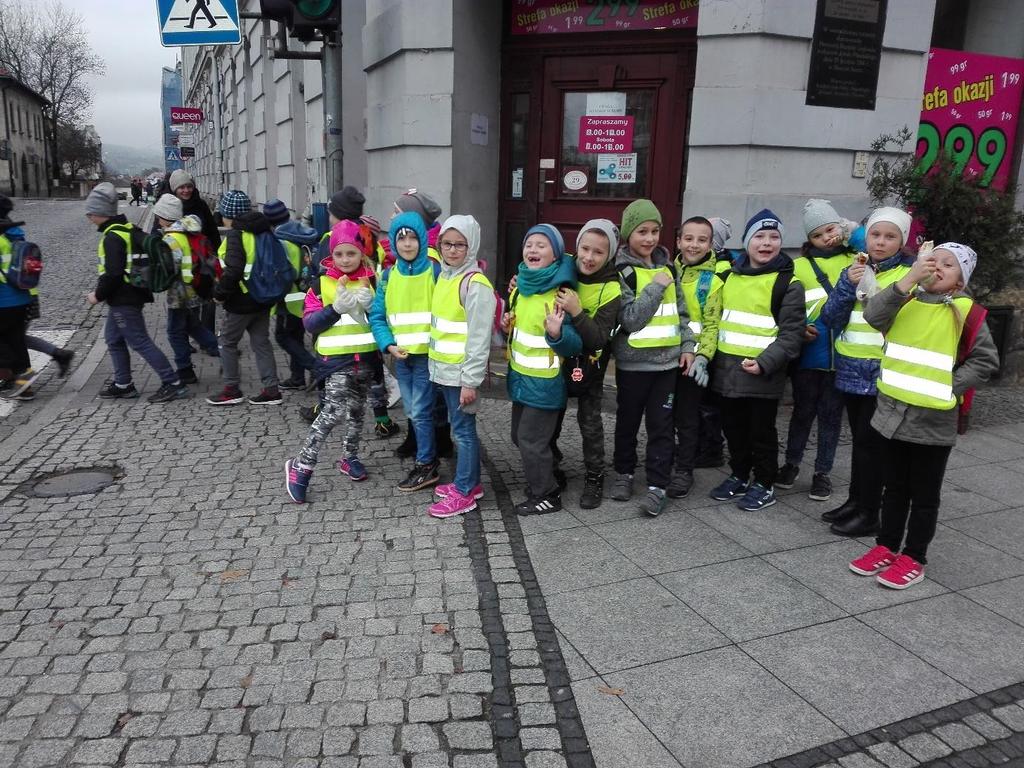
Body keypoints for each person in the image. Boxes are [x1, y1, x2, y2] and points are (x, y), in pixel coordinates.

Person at [849, 243, 999, 589]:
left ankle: (914, 556)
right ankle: (886, 546)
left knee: (924, 496)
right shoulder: (906, 299)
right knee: (894, 488)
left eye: (950, 265)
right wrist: (907, 280)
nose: (939, 267)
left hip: (933, 422)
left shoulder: (966, 312)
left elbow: (985, 361)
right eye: (934, 261)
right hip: (891, 414)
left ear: (961, 280)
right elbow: (873, 316)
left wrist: (948, 388)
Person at [819, 207, 914, 536]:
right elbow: (830, 318)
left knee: (873, 446)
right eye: (876, 234)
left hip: (881, 372)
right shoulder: (856, 268)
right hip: (849, 367)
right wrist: (847, 284)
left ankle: (870, 512)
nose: (881, 242)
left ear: (902, 241)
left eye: (890, 236)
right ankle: (856, 501)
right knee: (860, 443)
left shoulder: (907, 275)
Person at [708, 210, 804, 511]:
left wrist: (765, 362)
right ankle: (738, 474)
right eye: (759, 237)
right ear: (747, 242)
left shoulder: (788, 283)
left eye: (774, 237)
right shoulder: (729, 277)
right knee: (733, 429)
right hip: (727, 371)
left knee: (761, 432)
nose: (766, 243)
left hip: (763, 374)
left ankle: (764, 482)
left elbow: (792, 334)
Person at [610, 199, 696, 517]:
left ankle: (658, 485)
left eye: (655, 231)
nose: (649, 238)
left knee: (662, 425)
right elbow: (631, 320)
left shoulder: (669, 267)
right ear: (629, 233)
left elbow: (682, 314)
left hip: (667, 366)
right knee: (627, 422)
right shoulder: (623, 272)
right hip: (633, 365)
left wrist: (688, 347)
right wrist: (655, 288)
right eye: (642, 231)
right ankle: (624, 473)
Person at [285, 221, 381, 501]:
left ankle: (349, 456)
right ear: (331, 256)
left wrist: (373, 305)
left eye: (351, 253)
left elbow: (381, 320)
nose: (345, 260)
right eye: (339, 254)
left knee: (357, 412)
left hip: (365, 359)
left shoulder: (372, 281)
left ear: (361, 254)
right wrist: (334, 309)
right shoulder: (321, 283)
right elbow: (310, 323)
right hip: (335, 362)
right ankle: (302, 464)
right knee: (332, 412)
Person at [776, 200, 857, 502]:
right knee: (802, 412)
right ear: (809, 240)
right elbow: (788, 307)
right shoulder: (798, 267)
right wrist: (798, 329)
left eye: (832, 229)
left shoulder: (856, 259)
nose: (827, 237)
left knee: (831, 417)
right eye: (818, 234)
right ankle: (791, 463)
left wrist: (851, 230)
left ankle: (822, 472)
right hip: (809, 354)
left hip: (844, 355)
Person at [502, 224, 581, 515]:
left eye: (541, 245)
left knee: (530, 441)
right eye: (529, 244)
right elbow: (519, 332)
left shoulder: (561, 293)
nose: (533, 250)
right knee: (519, 437)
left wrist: (558, 333)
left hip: (546, 384)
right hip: (522, 380)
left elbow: (573, 345)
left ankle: (546, 494)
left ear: (556, 253)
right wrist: (507, 324)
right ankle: (552, 473)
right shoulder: (521, 287)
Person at [84, 183, 187, 403]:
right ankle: (123, 384)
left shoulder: (113, 237)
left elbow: (112, 274)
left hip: (124, 297)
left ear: (101, 213)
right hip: (132, 293)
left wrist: (97, 296)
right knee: (113, 338)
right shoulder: (127, 229)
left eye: (91, 212)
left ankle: (173, 382)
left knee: (139, 341)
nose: (88, 216)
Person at [426, 215, 496, 519]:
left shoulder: (475, 284)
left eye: (460, 245)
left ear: (471, 247)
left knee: (465, 433)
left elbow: (479, 339)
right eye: (447, 243)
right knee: (461, 430)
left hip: (460, 375)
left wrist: (470, 381)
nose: (452, 250)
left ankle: (465, 491)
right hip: (444, 372)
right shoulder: (446, 275)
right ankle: (471, 483)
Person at [548, 219, 621, 509]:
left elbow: (599, 339)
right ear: (576, 247)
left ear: (610, 255)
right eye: (585, 249)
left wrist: (577, 311)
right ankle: (553, 467)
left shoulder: (612, 288)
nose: (589, 257)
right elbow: (535, 274)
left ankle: (595, 475)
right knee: (550, 419)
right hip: (556, 362)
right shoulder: (563, 268)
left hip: (590, 366)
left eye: (599, 252)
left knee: (590, 424)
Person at [369, 212, 443, 493]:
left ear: (422, 240)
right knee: (414, 411)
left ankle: (427, 464)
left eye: (413, 237)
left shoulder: (434, 272)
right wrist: (387, 344)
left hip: (427, 357)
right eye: (401, 238)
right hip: (402, 358)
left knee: (420, 411)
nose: (407, 244)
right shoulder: (388, 276)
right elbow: (377, 316)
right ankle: (429, 455)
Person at [205, 190, 282, 406]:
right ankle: (271, 389)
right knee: (261, 343)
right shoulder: (263, 231)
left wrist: (219, 295)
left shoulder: (236, 235)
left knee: (227, 342)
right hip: (263, 297)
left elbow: (233, 270)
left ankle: (231, 389)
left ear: (228, 213)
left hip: (241, 300)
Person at [668, 216, 723, 499]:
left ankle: (684, 470)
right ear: (678, 241)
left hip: (692, 364)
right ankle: (663, 460)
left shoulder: (712, 282)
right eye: (688, 238)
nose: (694, 244)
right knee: (664, 415)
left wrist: (703, 357)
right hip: (664, 358)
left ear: (711, 244)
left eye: (702, 240)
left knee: (688, 418)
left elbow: (712, 325)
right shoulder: (666, 271)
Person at [152, 194, 219, 385]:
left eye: (159, 216)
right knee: (194, 327)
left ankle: (185, 371)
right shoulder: (188, 231)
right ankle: (223, 351)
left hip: (180, 292)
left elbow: (171, 267)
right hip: (194, 288)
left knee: (175, 332)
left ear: (165, 217)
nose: (157, 220)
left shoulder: (171, 238)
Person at [264, 198, 318, 390]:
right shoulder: (299, 233)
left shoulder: (282, 241)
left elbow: (284, 272)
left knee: (282, 336)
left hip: (289, 298)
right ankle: (297, 378)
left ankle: (315, 368)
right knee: (296, 337)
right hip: (304, 295)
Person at [169, 169, 220, 333]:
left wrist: (216, 254)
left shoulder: (201, 205)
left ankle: (209, 337)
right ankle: (193, 335)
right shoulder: (170, 208)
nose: (186, 190)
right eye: (181, 187)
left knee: (209, 300)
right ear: (174, 189)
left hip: (204, 259)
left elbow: (212, 230)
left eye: (188, 186)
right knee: (189, 303)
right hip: (184, 263)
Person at [0, 195, 36, 398]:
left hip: (2, 300)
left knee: (6, 344)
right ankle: (25, 386)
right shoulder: (16, 233)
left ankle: (10, 378)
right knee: (17, 341)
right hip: (21, 297)